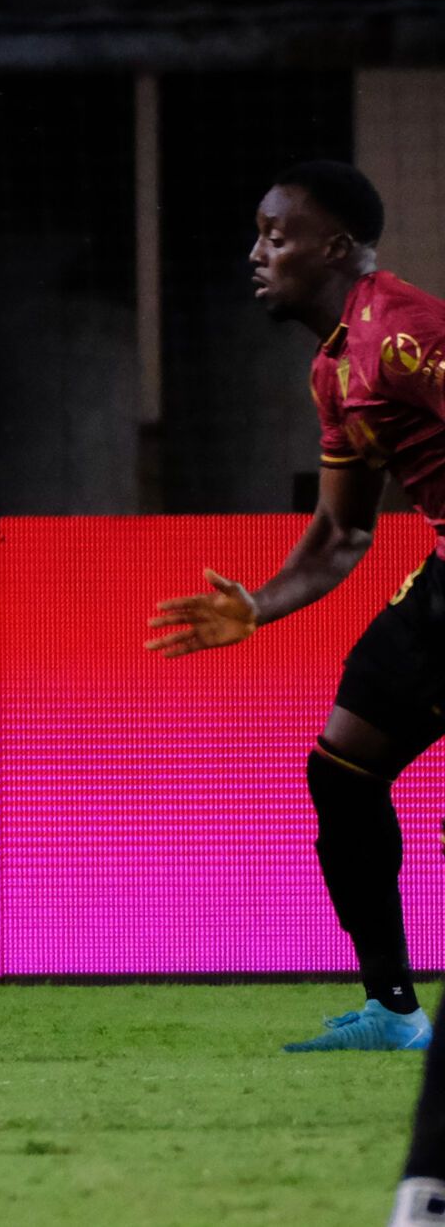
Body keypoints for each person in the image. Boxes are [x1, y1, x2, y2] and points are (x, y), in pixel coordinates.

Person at [147, 160, 437, 1058]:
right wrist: (261, 606)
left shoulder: (403, 333)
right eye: (259, 234)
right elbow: (344, 534)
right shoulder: (334, 369)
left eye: (279, 236)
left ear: (338, 249)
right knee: (342, 768)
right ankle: (393, 1012)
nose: (257, 253)